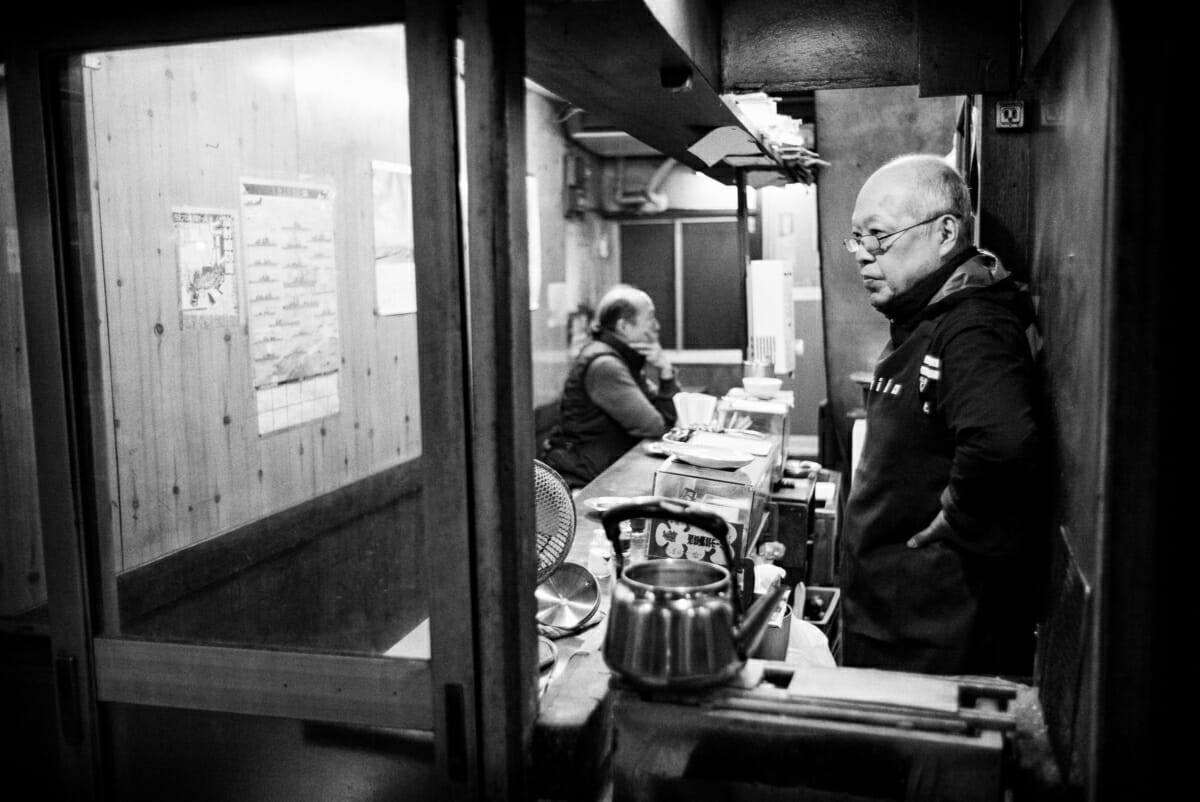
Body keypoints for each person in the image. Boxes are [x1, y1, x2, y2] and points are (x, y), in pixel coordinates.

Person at [839, 154, 1047, 676]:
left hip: (931, 635)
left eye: (878, 236)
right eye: (856, 238)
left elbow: (1004, 443)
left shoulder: (973, 324)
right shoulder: (924, 315)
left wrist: (957, 514)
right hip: (892, 619)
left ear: (945, 232)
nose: (863, 255)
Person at [541, 284, 679, 488]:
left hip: (599, 471)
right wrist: (666, 375)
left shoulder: (622, 359)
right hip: (582, 481)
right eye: (650, 318)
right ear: (624, 326)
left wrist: (665, 372)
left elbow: (664, 417)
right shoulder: (606, 366)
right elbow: (655, 426)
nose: (657, 326)